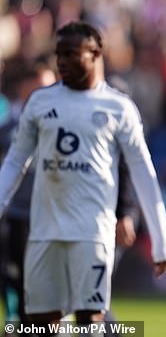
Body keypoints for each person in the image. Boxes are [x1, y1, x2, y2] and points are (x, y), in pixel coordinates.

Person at [0, 21, 166, 334]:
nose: (63, 61)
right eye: (59, 54)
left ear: (96, 54)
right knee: (39, 323)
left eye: (72, 53)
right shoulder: (40, 102)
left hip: (92, 234)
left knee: (90, 319)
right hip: (44, 233)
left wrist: (162, 241)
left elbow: (143, 173)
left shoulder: (118, 108)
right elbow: (15, 162)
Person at [0, 59, 57, 334]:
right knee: (18, 283)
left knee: (54, 290)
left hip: (51, 216)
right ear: (24, 89)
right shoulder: (9, 126)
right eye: (38, 87)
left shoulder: (61, 125)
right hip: (18, 217)